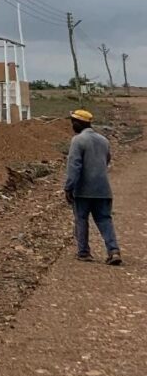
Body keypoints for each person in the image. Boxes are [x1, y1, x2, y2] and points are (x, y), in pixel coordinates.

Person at [64, 109, 121, 265]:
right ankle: (113, 250)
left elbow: (74, 166)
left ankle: (83, 253)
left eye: (72, 123)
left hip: (83, 190)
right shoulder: (104, 140)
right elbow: (106, 160)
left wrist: (69, 187)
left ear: (77, 123)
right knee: (104, 220)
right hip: (103, 189)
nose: (72, 126)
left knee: (81, 220)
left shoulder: (78, 140)